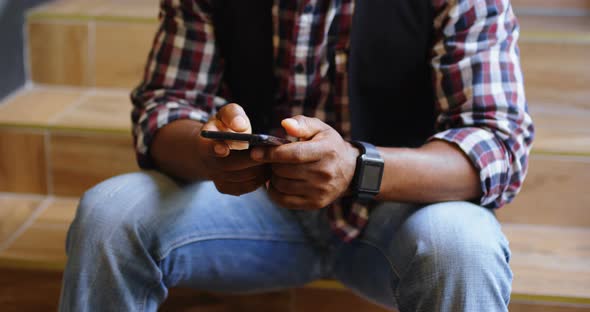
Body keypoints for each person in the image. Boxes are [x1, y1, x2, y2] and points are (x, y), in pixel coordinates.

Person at [59, 0, 534, 311]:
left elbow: (498, 142)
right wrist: (214, 154)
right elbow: (164, 106)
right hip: (251, 207)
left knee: (465, 245)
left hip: (399, 213)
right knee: (109, 214)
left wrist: (357, 169)